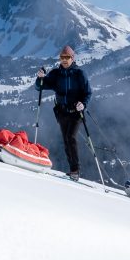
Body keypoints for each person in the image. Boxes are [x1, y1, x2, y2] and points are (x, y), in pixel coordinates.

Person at [35, 45, 92, 181]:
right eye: (62, 58)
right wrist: (40, 78)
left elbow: (88, 92)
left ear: (72, 58)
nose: (64, 60)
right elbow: (40, 87)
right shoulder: (56, 74)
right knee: (66, 140)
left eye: (67, 57)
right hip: (61, 112)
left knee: (71, 138)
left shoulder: (79, 74)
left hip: (75, 113)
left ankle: (75, 170)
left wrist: (83, 104)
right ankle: (72, 169)